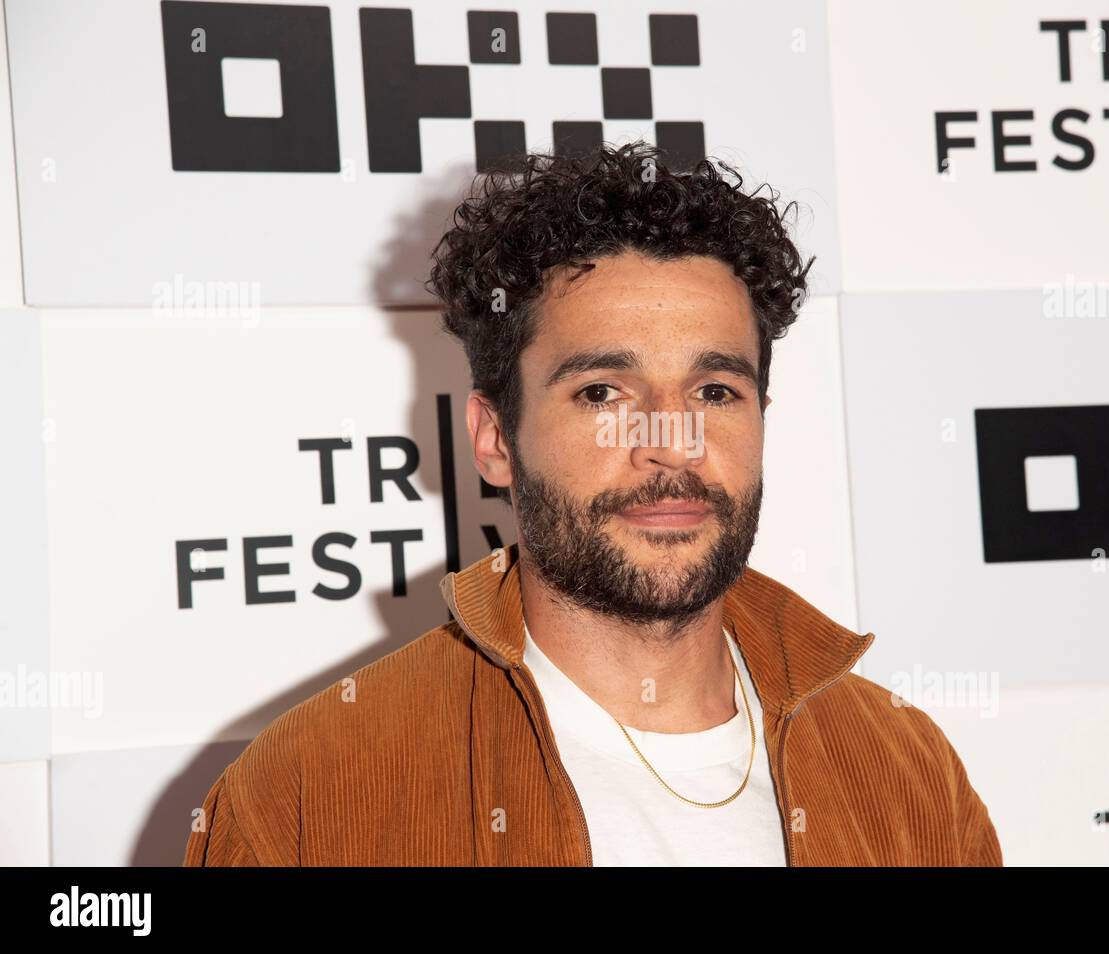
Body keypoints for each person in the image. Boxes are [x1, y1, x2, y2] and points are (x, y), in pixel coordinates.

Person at [184, 141, 1001, 866]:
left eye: (715, 389)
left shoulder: (901, 766)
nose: (670, 442)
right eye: (604, 391)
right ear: (495, 437)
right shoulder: (309, 794)